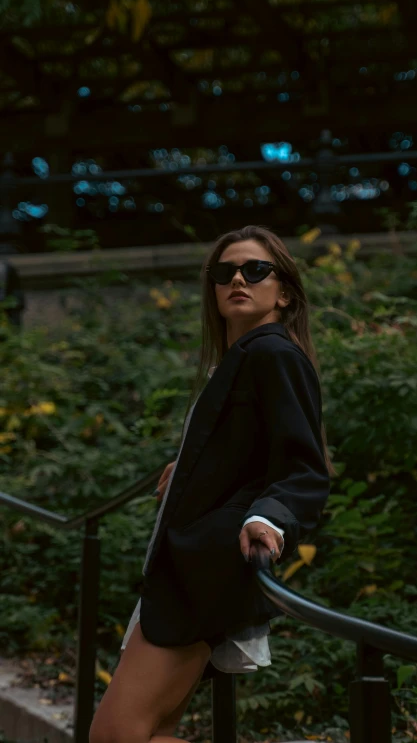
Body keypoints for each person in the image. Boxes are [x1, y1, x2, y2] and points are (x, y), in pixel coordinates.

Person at [89, 225, 335, 743]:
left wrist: (269, 517)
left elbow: (303, 468)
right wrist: (191, 467)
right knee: (152, 729)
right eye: (225, 272)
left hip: (205, 571)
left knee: (114, 736)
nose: (238, 278)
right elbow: (251, 449)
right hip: (188, 570)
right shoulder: (241, 359)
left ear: (284, 291)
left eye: (256, 270)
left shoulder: (272, 354)